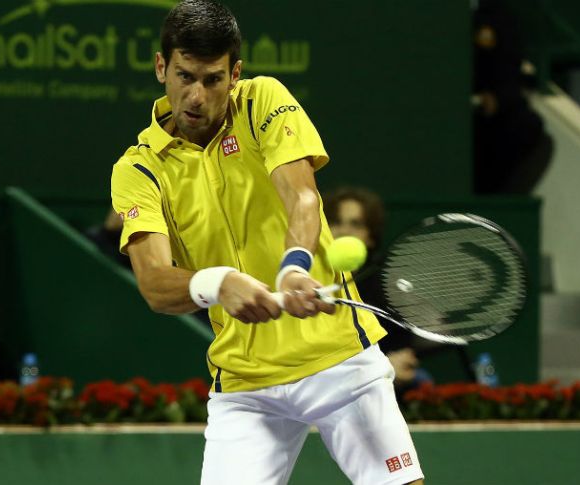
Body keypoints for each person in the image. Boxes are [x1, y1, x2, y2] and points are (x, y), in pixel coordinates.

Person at [109, 2, 425, 483]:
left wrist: (294, 266)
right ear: (161, 68)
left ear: (235, 73)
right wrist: (220, 282)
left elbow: (301, 196)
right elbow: (154, 285)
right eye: (184, 76)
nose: (196, 96)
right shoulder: (138, 169)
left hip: (338, 359)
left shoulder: (262, 101)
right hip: (244, 385)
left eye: (213, 79)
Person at [322, 186, 436, 395]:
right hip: (317, 379)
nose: (344, 231)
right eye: (336, 222)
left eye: (355, 224)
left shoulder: (386, 287)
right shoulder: (303, 277)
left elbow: (403, 349)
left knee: (421, 380)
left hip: (375, 382)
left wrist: (392, 362)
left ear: (370, 236)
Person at [472, 0, 553, 195]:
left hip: (496, 128)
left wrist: (496, 99)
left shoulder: (498, 18)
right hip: (476, 132)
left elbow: (509, 72)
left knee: (535, 134)